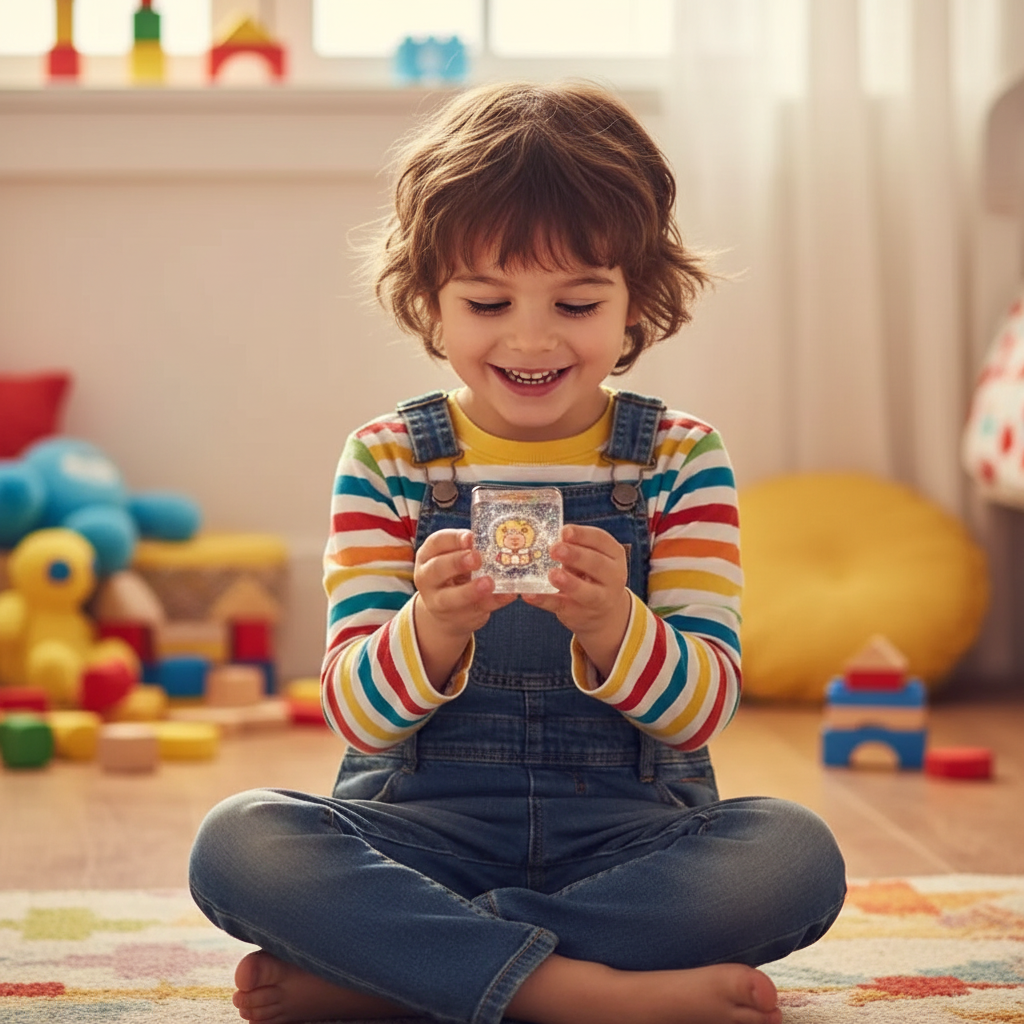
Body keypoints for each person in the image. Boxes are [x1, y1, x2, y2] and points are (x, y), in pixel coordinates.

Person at [189, 80, 846, 1024]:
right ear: (431, 303)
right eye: (489, 301)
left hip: (625, 834)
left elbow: (702, 709)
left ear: (634, 303)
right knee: (240, 841)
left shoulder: (679, 457)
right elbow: (358, 717)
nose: (531, 338)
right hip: (420, 829)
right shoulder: (387, 458)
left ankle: (409, 970)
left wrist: (616, 626)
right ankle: (573, 993)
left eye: (577, 303)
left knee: (793, 856)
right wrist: (433, 628)